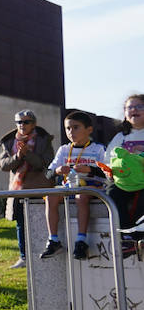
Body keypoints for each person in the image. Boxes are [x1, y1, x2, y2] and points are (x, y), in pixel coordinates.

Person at [43, 110, 109, 260]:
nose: (71, 131)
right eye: (68, 128)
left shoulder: (98, 149)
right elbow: (48, 173)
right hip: (70, 185)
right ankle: (53, 240)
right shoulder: (64, 149)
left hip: (92, 186)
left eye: (76, 127)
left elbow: (108, 172)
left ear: (89, 130)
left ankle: (81, 240)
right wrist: (58, 170)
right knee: (51, 196)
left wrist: (90, 169)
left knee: (81, 196)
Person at [0, 109, 54, 269]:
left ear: (34, 123)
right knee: (21, 223)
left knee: (42, 222)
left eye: (26, 121)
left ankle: (43, 254)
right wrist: (18, 156)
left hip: (39, 188)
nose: (22, 125)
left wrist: (27, 154)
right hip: (18, 188)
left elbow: (46, 164)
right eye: (19, 122)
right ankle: (24, 257)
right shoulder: (9, 141)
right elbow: (2, 165)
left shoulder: (43, 140)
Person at [106, 94, 144, 229]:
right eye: (130, 107)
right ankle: (125, 233)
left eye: (139, 106)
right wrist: (110, 171)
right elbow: (108, 158)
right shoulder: (120, 137)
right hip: (125, 180)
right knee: (112, 194)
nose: (134, 110)